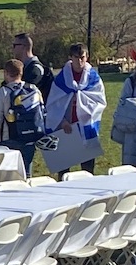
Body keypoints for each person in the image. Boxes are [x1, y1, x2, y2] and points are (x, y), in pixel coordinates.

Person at [42, 43, 106, 174]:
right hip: (66, 128)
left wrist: (88, 114)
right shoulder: (61, 79)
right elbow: (53, 104)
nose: (79, 61)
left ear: (87, 57)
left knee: (88, 170)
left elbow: (99, 101)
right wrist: (62, 122)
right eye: (76, 57)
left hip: (86, 127)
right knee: (64, 170)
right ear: (70, 57)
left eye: (82, 57)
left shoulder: (93, 79)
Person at [0, 59, 46, 174]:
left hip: (10, 139)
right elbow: (42, 112)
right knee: (26, 174)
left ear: (6, 73)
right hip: (30, 138)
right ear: (21, 73)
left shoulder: (3, 92)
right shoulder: (33, 89)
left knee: (9, 176)